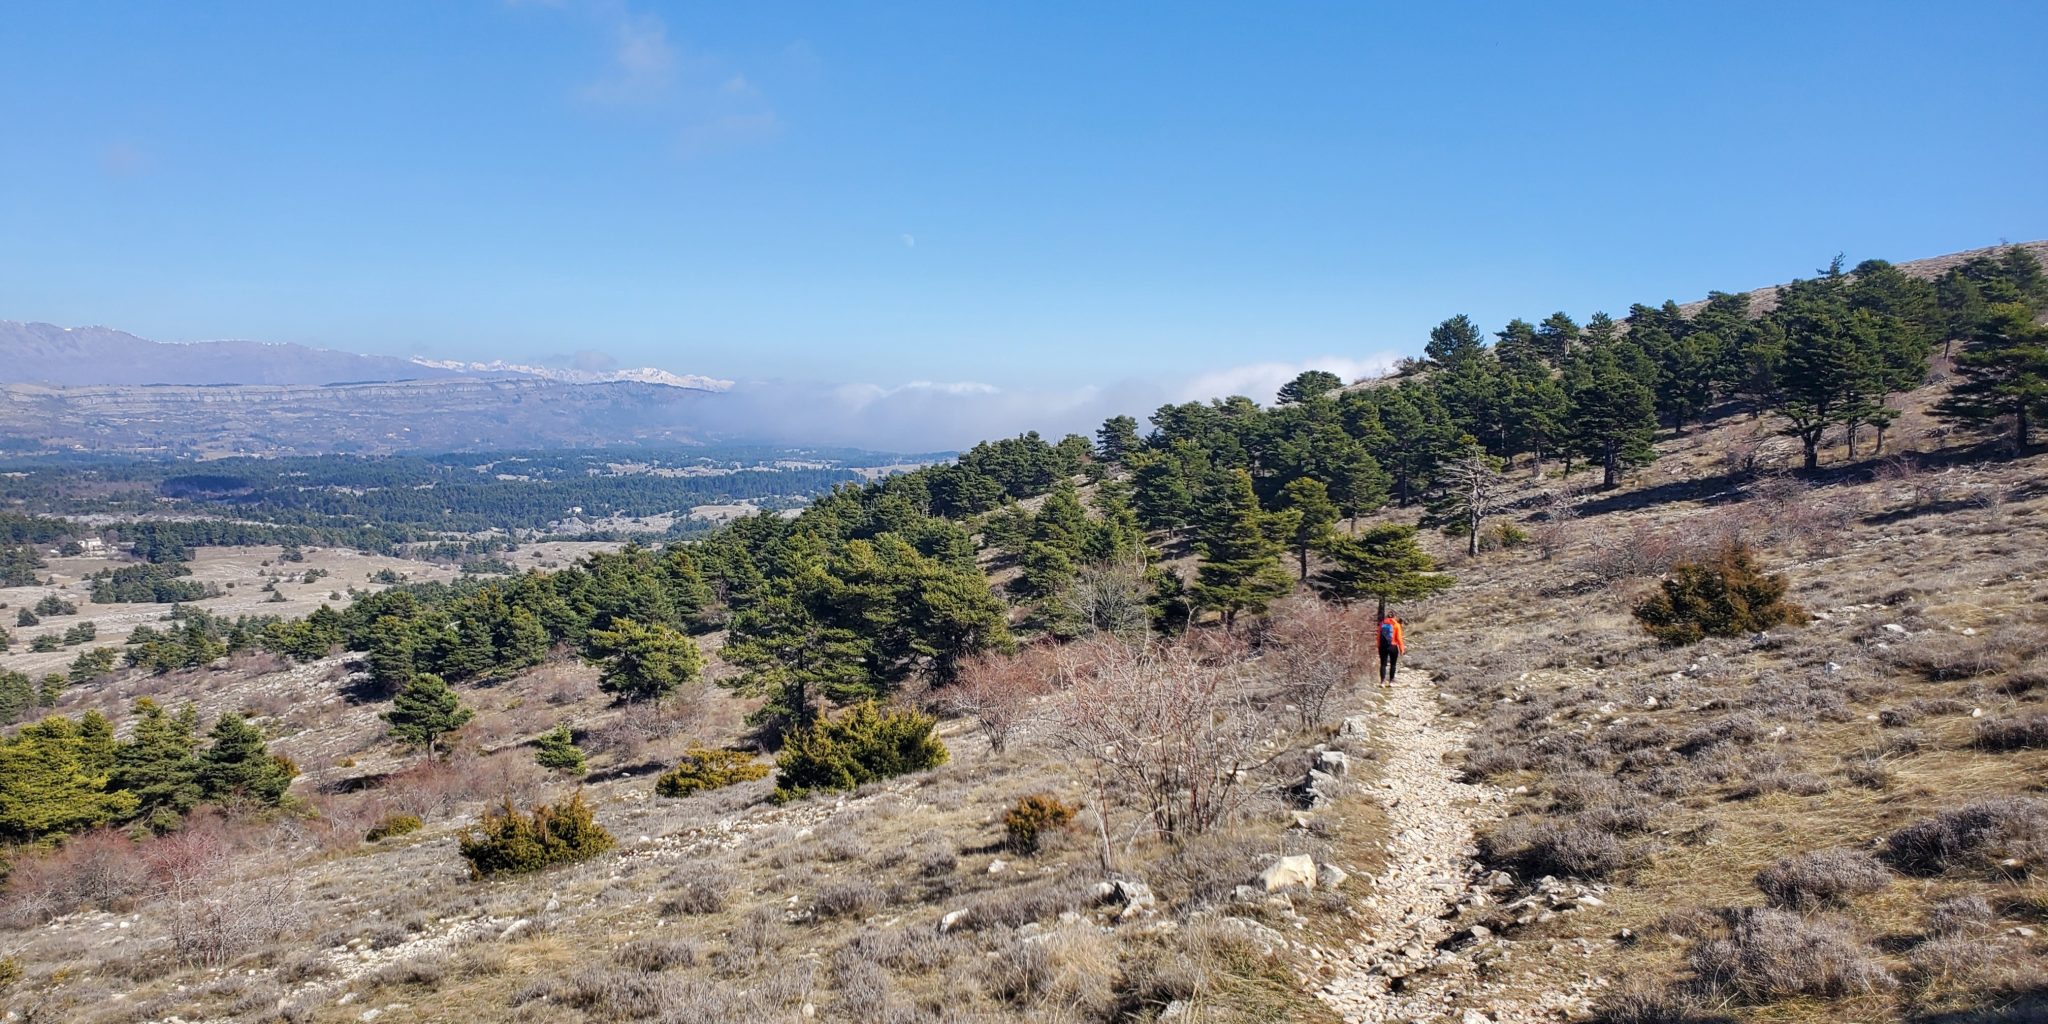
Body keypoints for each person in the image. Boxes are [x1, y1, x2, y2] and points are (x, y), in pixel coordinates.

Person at [1378, 612, 1404, 684]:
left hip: (1383, 646)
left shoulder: (1382, 624)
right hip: (1393, 646)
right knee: (1393, 664)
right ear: (1394, 617)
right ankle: (1391, 682)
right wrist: (1402, 649)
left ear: (1387, 616)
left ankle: (1382, 682)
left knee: (1383, 664)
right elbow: (1399, 638)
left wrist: (1378, 646)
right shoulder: (1396, 625)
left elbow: (1378, 637)